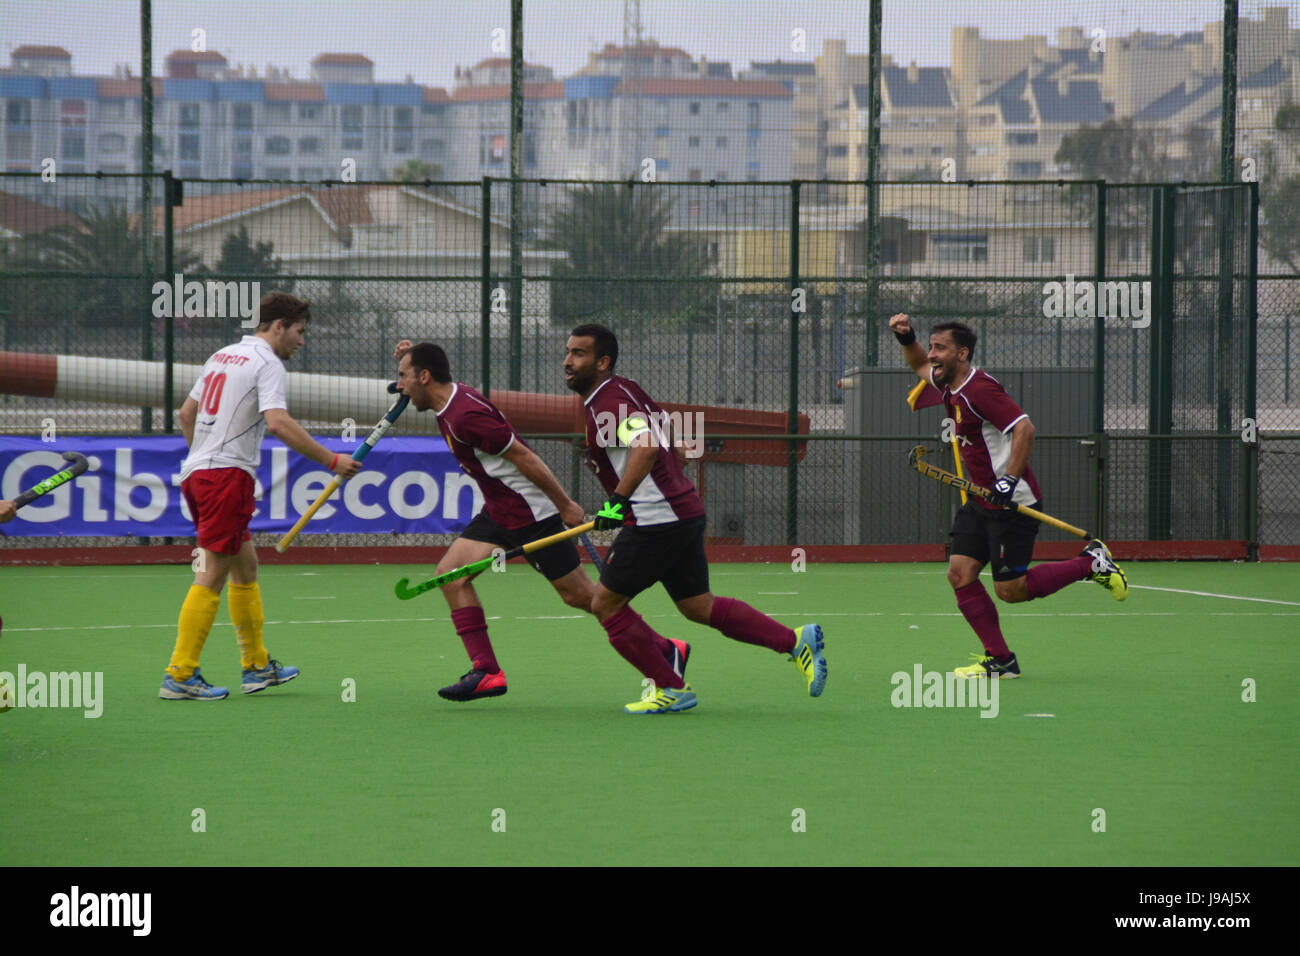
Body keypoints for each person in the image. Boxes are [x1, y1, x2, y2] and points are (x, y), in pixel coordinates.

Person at [563, 323, 827, 714]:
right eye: (568, 352)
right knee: (697, 606)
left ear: (602, 362)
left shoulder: (608, 402)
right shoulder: (625, 388)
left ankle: (670, 686)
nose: (568, 361)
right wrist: (676, 452)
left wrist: (618, 502)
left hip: (657, 521)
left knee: (605, 604)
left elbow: (646, 444)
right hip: (682, 510)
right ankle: (795, 641)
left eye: (579, 354)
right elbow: (661, 425)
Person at [889, 312, 1128, 679]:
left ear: (963, 353)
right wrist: (907, 338)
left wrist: (1008, 481)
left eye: (942, 348)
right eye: (933, 346)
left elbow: (1024, 429)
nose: (933, 354)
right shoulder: (946, 381)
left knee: (1011, 590)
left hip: (1013, 502)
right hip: (979, 501)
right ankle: (1000, 660)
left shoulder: (980, 390)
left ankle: (1091, 564)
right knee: (959, 573)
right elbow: (918, 363)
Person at [159, 292, 362, 700]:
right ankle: (180, 674)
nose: (301, 342)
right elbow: (279, 423)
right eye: (299, 332)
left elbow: (186, 414)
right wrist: (331, 460)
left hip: (200, 474)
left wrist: (202, 456)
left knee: (245, 569)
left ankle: (255, 666)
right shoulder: (267, 363)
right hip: (226, 477)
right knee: (212, 573)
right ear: (277, 327)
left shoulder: (223, 354)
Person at [393, 339, 597, 701]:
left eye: (403, 377)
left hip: (531, 514)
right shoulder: (450, 399)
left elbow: (524, 456)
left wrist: (565, 504)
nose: (399, 386)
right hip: (499, 509)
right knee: (451, 577)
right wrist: (408, 360)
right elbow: (422, 369)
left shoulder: (464, 416)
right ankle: (486, 672)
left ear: (425, 377)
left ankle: (663, 649)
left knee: (583, 597)